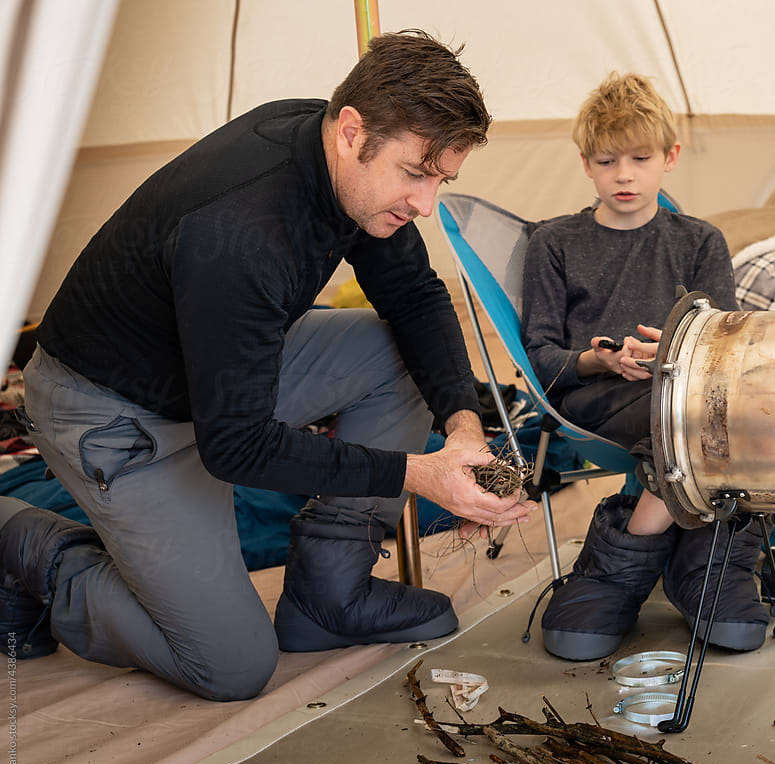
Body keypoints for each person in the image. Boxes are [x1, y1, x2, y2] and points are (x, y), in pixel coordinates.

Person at [0, 30, 535, 701]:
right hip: (111, 410)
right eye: (416, 174)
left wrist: (460, 429)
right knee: (230, 666)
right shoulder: (241, 233)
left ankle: (326, 595)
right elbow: (237, 446)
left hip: (215, 374)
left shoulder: (338, 157)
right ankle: (22, 542)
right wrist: (418, 475)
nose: (427, 204)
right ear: (351, 132)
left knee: (395, 349)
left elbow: (416, 296)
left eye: (443, 180)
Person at [520, 73, 767, 661]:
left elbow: (724, 347)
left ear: (669, 157)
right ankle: (635, 569)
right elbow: (542, 358)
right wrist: (599, 358)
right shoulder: (554, 242)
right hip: (596, 396)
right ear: (585, 163)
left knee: (741, 410)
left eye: (640, 158)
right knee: (685, 426)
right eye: (607, 161)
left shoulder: (700, 241)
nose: (624, 174)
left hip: (684, 392)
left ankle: (682, 559)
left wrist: (675, 352)